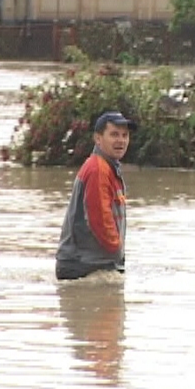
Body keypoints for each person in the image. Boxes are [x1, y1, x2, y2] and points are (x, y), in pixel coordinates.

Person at [55, 111, 137, 280]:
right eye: (114, 134)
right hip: (86, 268)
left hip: (89, 265)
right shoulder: (98, 170)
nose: (121, 141)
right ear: (98, 139)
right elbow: (99, 218)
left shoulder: (107, 167)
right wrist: (116, 249)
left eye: (125, 135)